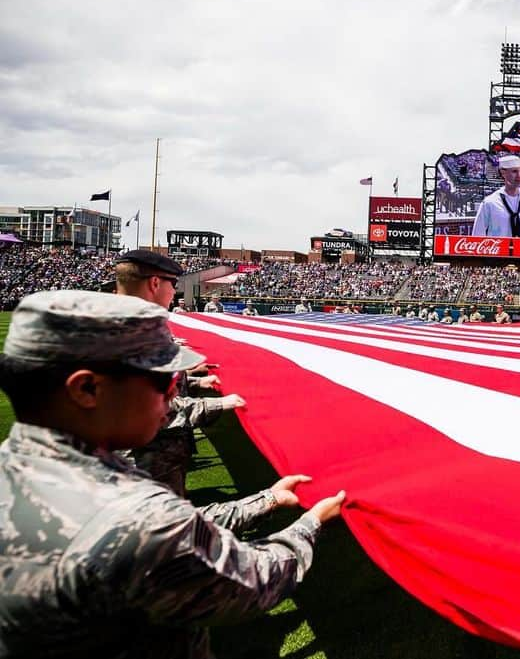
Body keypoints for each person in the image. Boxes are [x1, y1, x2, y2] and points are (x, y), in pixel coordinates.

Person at [0, 290, 348, 658]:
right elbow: (252, 581)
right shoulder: (133, 517)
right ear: (87, 389)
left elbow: (182, 528)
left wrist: (268, 500)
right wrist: (310, 523)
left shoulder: (24, 467)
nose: (173, 397)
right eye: (163, 381)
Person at [114, 249, 245, 496]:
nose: (175, 291)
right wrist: (218, 404)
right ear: (154, 283)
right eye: (172, 283)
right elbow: (148, 405)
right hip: (139, 465)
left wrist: (194, 382)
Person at [471, 154, 520, 238]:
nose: (519, 176)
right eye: (514, 171)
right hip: (498, 249)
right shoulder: (490, 202)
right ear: (503, 173)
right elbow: (478, 234)